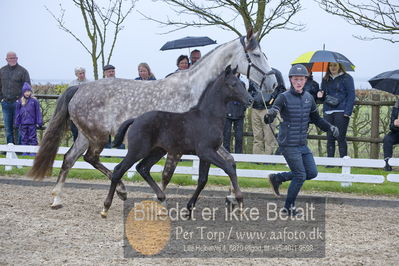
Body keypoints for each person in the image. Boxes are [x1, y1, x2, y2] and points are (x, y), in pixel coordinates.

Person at [265, 64, 339, 215]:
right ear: (291, 80)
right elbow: (275, 110)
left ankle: (278, 178)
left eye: (302, 79)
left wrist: (330, 127)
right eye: (296, 79)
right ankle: (288, 207)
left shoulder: (309, 98)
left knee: (311, 173)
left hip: (301, 144)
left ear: (306, 80)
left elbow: (317, 119)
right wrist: (270, 115)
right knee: (300, 175)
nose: (299, 82)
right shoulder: (283, 97)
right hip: (288, 143)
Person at [317, 62, 355, 159]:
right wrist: (320, 95)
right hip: (328, 110)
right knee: (330, 137)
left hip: (341, 111)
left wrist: (348, 112)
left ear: (339, 66)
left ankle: (343, 161)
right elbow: (324, 96)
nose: (332, 67)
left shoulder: (347, 78)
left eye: (335, 65)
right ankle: (330, 163)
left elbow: (351, 95)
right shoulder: (325, 79)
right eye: (330, 65)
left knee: (340, 137)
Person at [248, 67, 285, 155]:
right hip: (255, 108)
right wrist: (252, 98)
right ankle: (257, 159)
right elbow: (250, 90)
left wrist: (273, 99)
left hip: (269, 109)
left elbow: (282, 90)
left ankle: (268, 159)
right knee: (257, 136)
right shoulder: (253, 74)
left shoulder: (276, 73)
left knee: (269, 137)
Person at [0, 51, 31, 144]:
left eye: (14, 58)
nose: (12, 59)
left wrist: (22, 101)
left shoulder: (23, 71)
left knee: (19, 127)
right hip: (5, 103)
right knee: (7, 127)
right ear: (6, 59)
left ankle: (19, 149)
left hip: (19, 103)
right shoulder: (2, 71)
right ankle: (9, 148)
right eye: (10, 58)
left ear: (17, 58)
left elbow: (27, 87)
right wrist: (1, 99)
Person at [15, 82, 43, 155]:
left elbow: (38, 112)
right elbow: (17, 113)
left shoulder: (34, 101)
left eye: (29, 91)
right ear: (23, 92)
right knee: (24, 138)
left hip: (32, 123)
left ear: (31, 92)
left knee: (32, 138)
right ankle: (25, 151)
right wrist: (17, 122)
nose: (27, 93)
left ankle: (33, 152)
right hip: (23, 123)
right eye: (26, 91)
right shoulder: (20, 101)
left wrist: (39, 121)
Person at [223, 74, 246, 153]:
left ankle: (239, 154)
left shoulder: (242, 84)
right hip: (227, 112)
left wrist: (243, 108)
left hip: (239, 113)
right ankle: (226, 153)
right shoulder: (226, 84)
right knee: (226, 136)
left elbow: (244, 97)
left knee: (239, 137)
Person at [69, 67, 89, 141]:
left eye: (83, 73)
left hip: (85, 110)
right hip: (75, 110)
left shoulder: (89, 83)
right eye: (80, 73)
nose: (82, 75)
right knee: (75, 131)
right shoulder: (72, 84)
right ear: (76, 74)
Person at [383, 99, 399, 171]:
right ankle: (387, 164)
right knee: (387, 139)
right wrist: (395, 125)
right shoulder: (397, 105)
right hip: (397, 132)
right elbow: (391, 126)